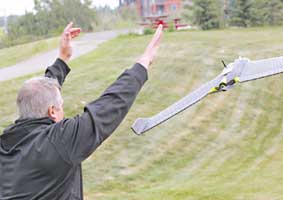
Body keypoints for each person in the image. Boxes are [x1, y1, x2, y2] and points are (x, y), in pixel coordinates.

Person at [0, 22, 163, 200]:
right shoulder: (58, 142)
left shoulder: (6, 146)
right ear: (53, 112)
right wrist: (144, 63)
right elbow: (109, 106)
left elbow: (39, 94)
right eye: (61, 105)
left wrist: (62, 59)